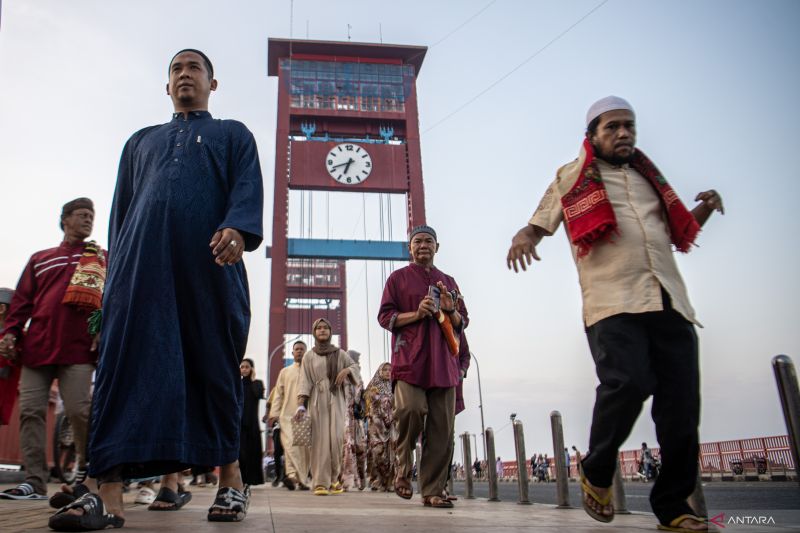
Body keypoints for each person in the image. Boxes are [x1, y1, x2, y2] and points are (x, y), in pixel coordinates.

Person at [50, 49, 264, 531]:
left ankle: (231, 480)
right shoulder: (140, 142)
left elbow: (246, 191)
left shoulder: (232, 134)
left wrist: (236, 229)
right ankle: (107, 493)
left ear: (213, 82)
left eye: (194, 67)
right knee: (126, 368)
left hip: (209, 267)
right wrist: (114, 281)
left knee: (212, 367)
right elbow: (121, 214)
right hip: (140, 272)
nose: (184, 74)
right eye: (175, 69)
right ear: (167, 86)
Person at [507, 96, 722, 532]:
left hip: (669, 301)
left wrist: (705, 206)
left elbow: (674, 230)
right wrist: (523, 237)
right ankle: (597, 468)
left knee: (681, 410)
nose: (623, 133)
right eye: (613, 127)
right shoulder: (572, 177)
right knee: (628, 382)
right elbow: (538, 222)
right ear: (593, 135)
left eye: (630, 126)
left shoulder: (649, 180)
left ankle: (674, 507)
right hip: (612, 302)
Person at [0, 198, 104, 500]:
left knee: (79, 410)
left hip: (80, 350)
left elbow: (113, 299)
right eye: (82, 215)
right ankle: (34, 481)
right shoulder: (40, 258)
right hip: (37, 348)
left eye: (91, 216)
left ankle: (88, 473)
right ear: (65, 219)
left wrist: (103, 330)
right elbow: (21, 304)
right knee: (31, 412)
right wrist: (10, 334)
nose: (88, 220)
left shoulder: (101, 258)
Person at [378, 225, 468, 509]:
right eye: (417, 241)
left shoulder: (449, 282)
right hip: (409, 361)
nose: (423, 245)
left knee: (442, 429)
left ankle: (432, 490)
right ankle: (403, 470)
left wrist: (451, 310)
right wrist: (416, 314)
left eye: (429, 241)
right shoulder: (398, 279)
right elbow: (385, 317)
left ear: (437, 247)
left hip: (444, 363)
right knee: (409, 409)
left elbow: (462, 323)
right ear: (410, 249)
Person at [294, 318, 360, 496]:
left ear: (330, 332)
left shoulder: (340, 353)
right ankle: (320, 482)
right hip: (317, 399)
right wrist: (301, 405)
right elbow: (305, 380)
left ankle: (334, 480)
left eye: (325, 328)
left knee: (336, 439)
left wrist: (347, 371)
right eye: (319, 328)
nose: (322, 330)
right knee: (320, 442)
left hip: (336, 398)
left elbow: (354, 367)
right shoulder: (309, 356)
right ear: (314, 332)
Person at [267, 340, 311, 490]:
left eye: (302, 349)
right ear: (292, 353)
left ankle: (302, 480)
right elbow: (278, 393)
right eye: (296, 349)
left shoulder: (311, 371)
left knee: (303, 449)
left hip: (306, 416)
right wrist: (274, 413)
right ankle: (291, 475)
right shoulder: (285, 372)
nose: (299, 351)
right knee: (290, 446)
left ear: (306, 352)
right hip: (287, 415)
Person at [365, 362, 396, 492]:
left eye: (390, 370)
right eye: (385, 370)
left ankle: (389, 482)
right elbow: (367, 402)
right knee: (377, 452)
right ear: (380, 372)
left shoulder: (394, 386)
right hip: (376, 426)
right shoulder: (373, 387)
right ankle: (377, 480)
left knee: (392, 454)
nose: (388, 372)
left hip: (391, 425)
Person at [341, 349, 366, 491]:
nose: (357, 363)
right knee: (347, 446)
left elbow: (362, 397)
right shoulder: (341, 374)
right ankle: (347, 480)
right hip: (343, 416)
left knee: (359, 448)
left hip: (355, 419)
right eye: (355, 360)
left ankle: (360, 479)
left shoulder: (358, 376)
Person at [239, 359, 265, 487]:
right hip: (239, 424)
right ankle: (240, 479)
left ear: (252, 369)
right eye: (242, 367)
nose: (244, 369)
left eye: (247, 367)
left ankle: (252, 479)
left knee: (252, 453)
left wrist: (253, 378)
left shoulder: (257, 383)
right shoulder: (237, 384)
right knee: (240, 454)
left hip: (252, 424)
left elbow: (258, 394)